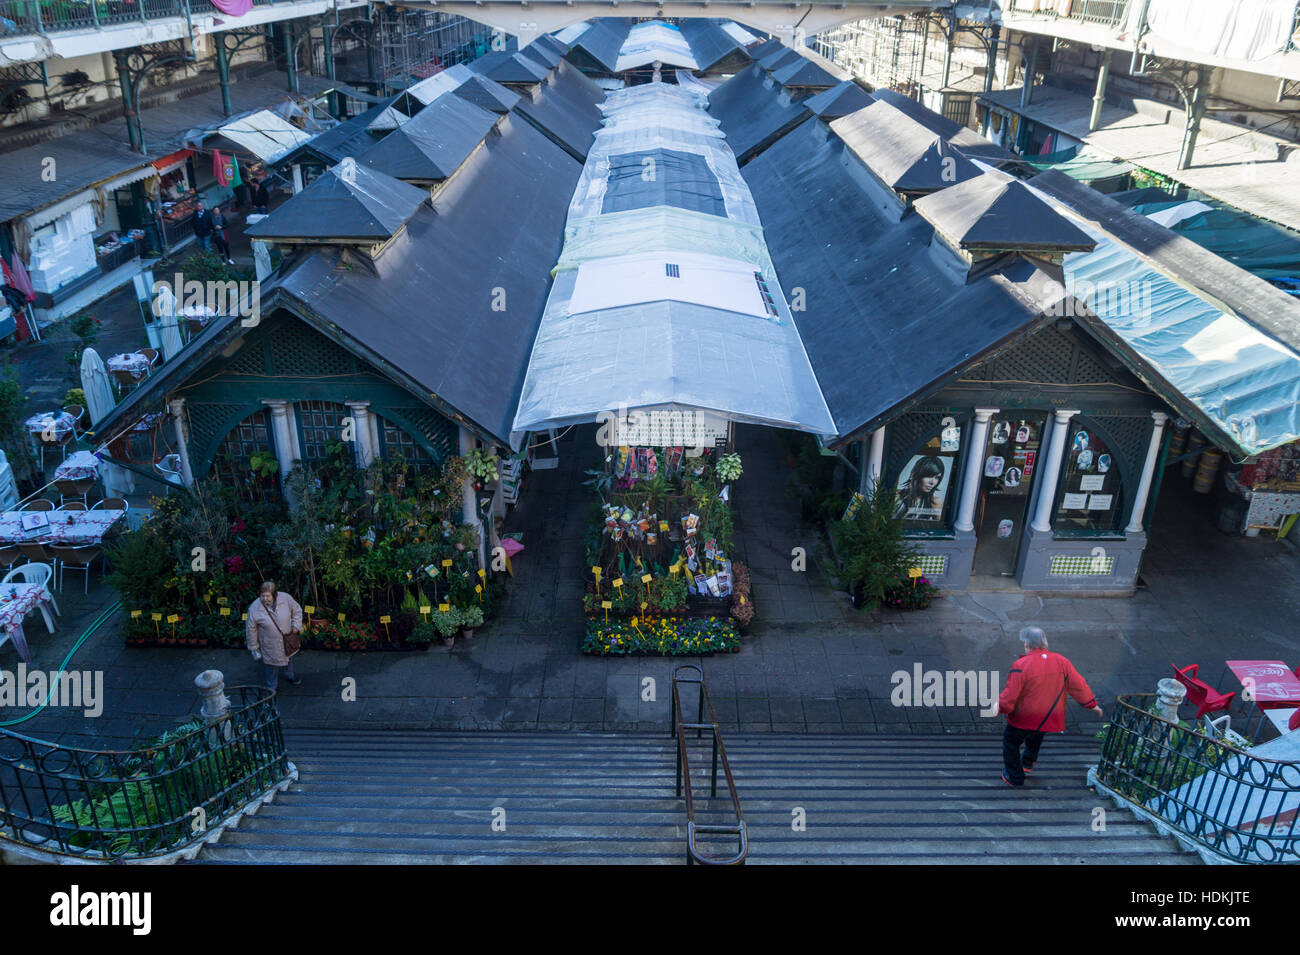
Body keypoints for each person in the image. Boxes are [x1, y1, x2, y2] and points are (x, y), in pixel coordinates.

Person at [998, 626, 1103, 787]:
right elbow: (1078, 685)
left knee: (1010, 742)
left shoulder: (1021, 665)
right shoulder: (1062, 661)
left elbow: (1010, 694)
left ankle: (1015, 777)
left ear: (1027, 644)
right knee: (1035, 737)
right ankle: (1027, 764)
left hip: (1025, 716)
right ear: (1044, 643)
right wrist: (1091, 705)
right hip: (1048, 716)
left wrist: (1001, 707)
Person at [246, 581, 304, 691]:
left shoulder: (286, 598)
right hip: (269, 643)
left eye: (267, 596)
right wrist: (254, 647)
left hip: (288, 639)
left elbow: (297, 610)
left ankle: (289, 675)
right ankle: (271, 687)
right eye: (262, 595)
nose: (264, 599)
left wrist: (296, 625)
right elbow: (251, 628)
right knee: (271, 666)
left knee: (289, 658)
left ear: (275, 594)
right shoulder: (254, 608)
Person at [893, 456, 946, 520]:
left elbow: (938, 527)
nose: (932, 482)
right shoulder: (896, 496)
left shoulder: (935, 502)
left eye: (937, 477)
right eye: (929, 476)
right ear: (916, 474)